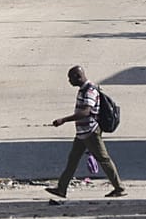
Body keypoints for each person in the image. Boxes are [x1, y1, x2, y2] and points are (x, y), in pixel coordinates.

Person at [46, 65, 124, 198]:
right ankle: (61, 188)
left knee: (103, 159)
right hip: (83, 132)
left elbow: (86, 112)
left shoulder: (90, 90)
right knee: (73, 160)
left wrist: (64, 120)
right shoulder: (83, 89)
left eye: (70, 78)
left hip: (91, 131)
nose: (69, 81)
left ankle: (119, 187)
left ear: (78, 76)